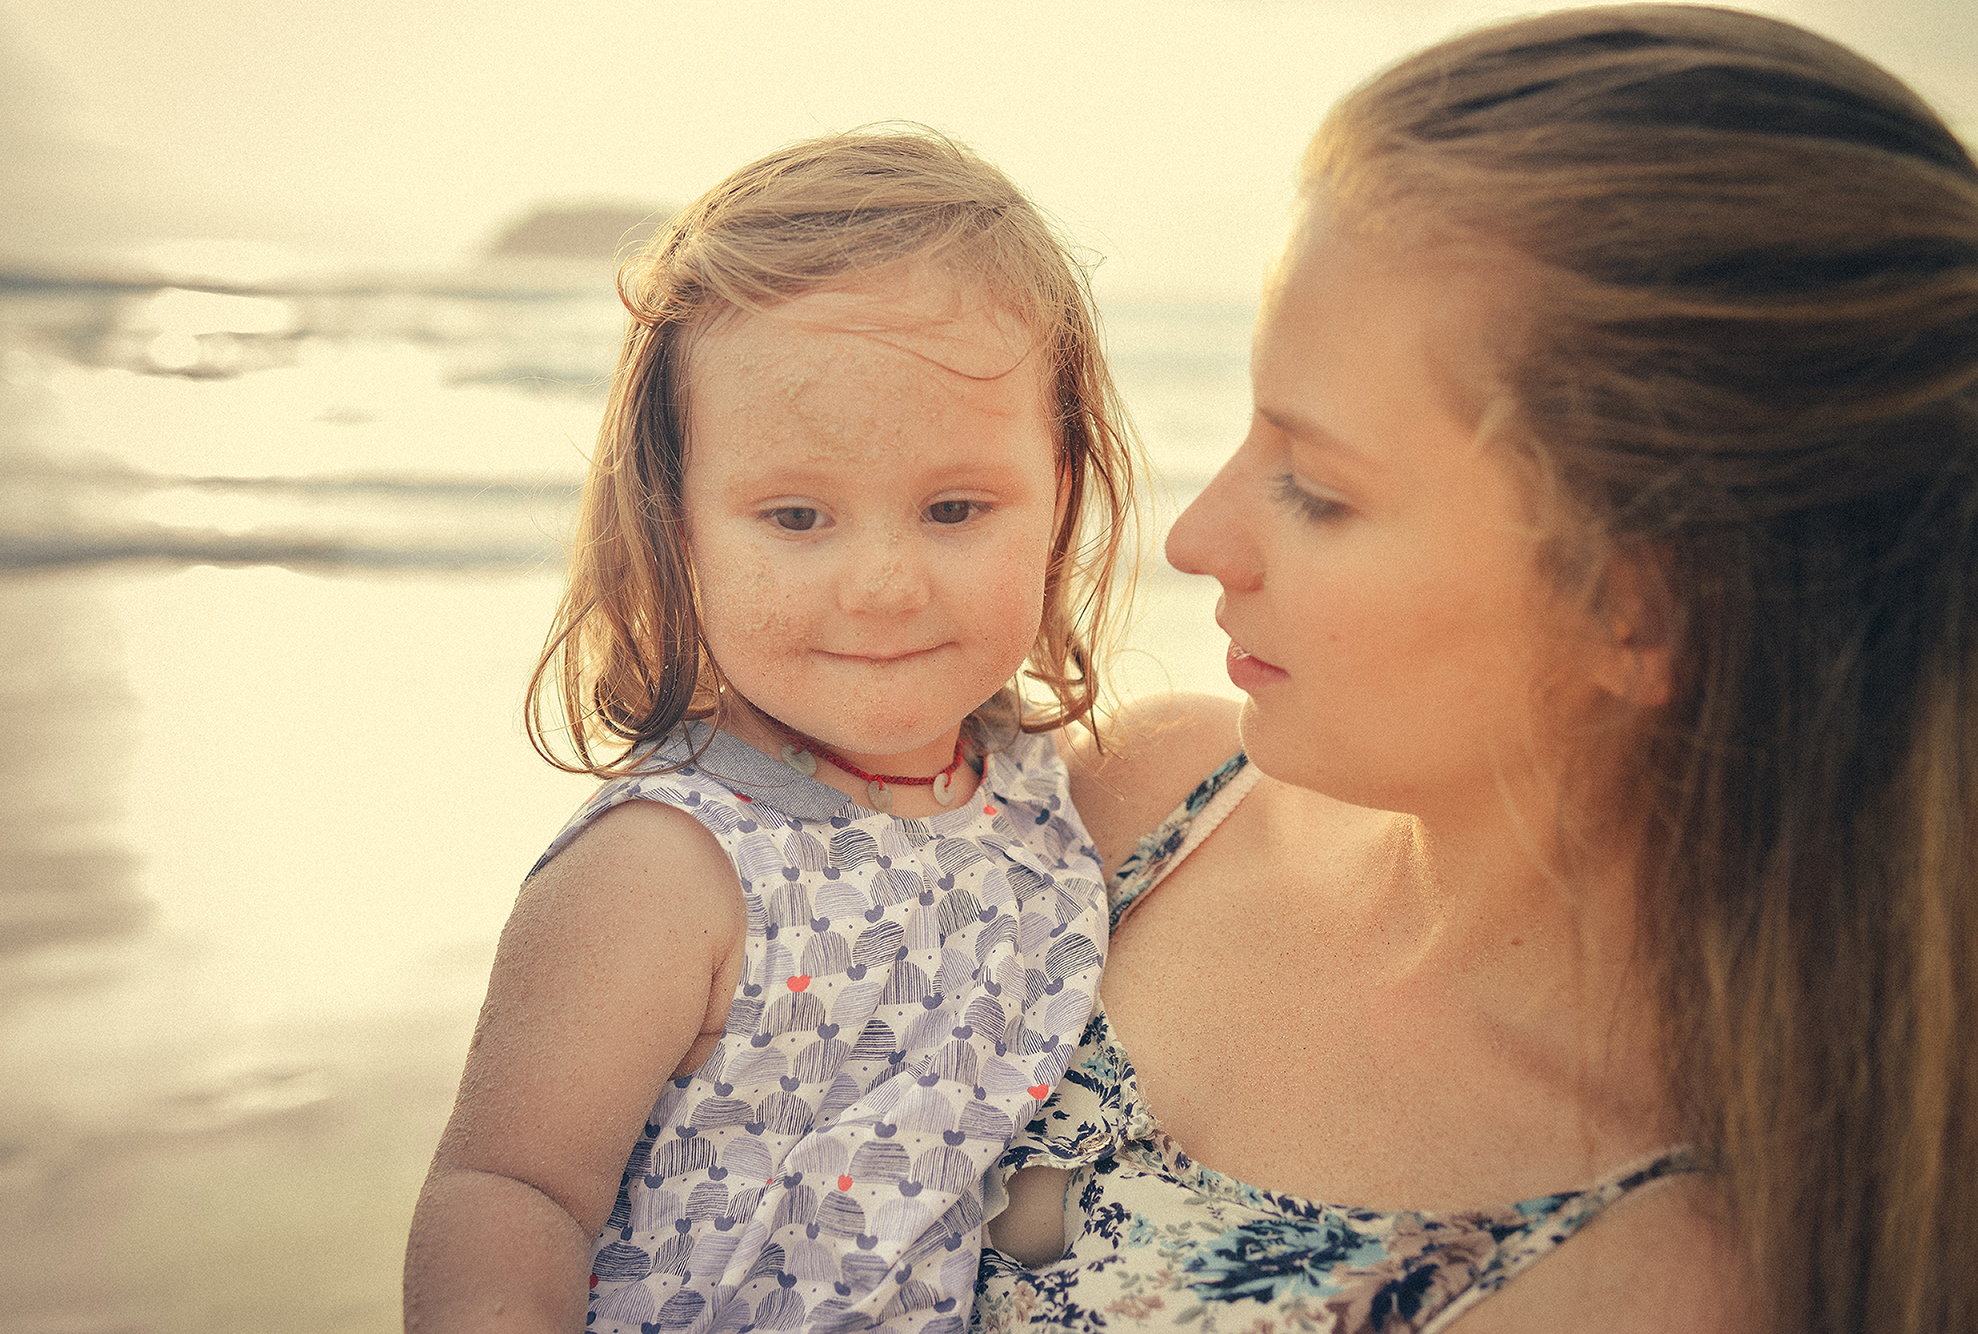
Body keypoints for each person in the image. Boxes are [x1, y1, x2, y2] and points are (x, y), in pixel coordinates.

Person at [977, 6, 1978, 1332]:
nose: (1198, 534)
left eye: (1320, 489)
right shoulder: (1132, 808)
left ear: (1641, 616)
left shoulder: (1654, 1275)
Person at [403, 128, 1141, 1334]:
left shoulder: (1046, 806)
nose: (885, 583)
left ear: (1060, 493)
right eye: (797, 515)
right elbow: (511, 1191)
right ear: (673, 520)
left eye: (956, 507)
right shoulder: (668, 865)